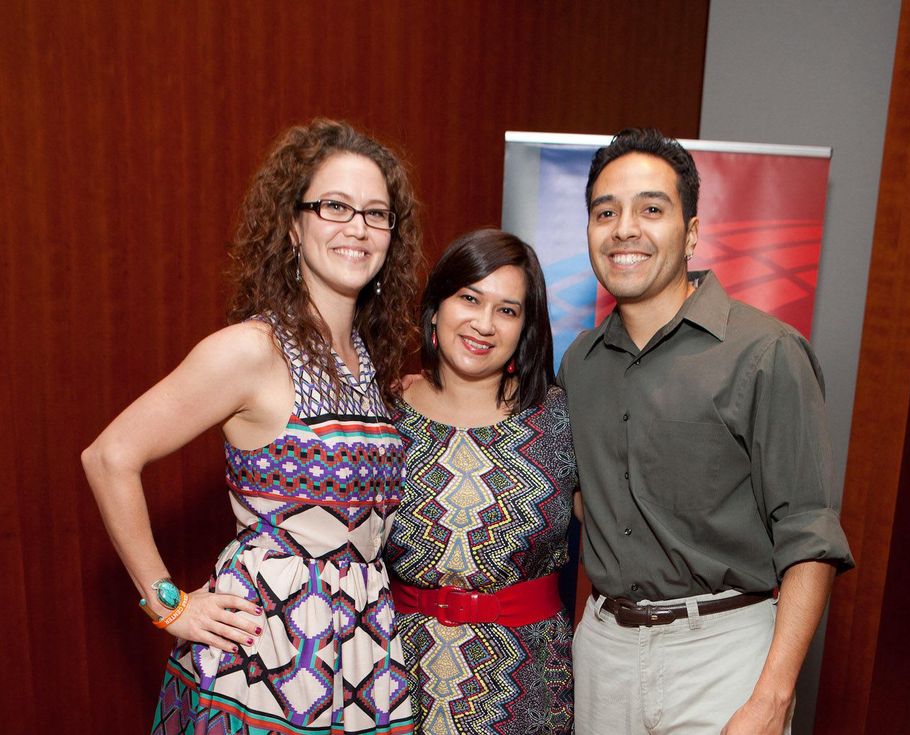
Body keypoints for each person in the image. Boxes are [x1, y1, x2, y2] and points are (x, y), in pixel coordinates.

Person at [82, 119, 421, 734]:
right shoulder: (251, 350)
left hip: (365, 653)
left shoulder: (369, 359)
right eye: (335, 206)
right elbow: (109, 457)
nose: (358, 227)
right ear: (293, 226)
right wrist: (169, 605)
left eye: (377, 213)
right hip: (266, 660)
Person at [558, 128, 854, 735]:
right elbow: (588, 498)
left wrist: (771, 698)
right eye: (605, 211)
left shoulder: (766, 353)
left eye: (651, 209)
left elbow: (810, 536)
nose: (624, 229)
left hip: (722, 652)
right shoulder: (579, 364)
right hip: (604, 652)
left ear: (691, 232)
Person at [384, 229, 577, 734]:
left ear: (525, 328)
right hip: (394, 679)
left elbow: (623, 538)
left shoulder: (560, 418)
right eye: (469, 298)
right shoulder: (383, 414)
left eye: (507, 310)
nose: (484, 324)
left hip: (528, 686)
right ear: (435, 307)